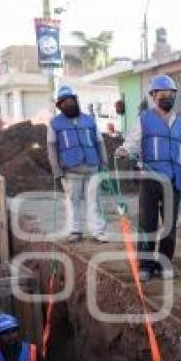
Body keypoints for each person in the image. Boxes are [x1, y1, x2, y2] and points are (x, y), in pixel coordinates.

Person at [115, 75, 181, 281]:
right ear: (153, 96)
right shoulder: (144, 120)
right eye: (162, 94)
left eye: (171, 94)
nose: (167, 97)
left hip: (173, 181)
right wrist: (123, 150)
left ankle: (164, 264)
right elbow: (131, 144)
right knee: (147, 224)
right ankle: (146, 265)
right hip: (149, 179)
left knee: (169, 226)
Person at [47, 85, 109, 243]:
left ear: (76, 100)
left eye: (70, 100)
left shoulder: (89, 120)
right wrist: (56, 170)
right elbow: (52, 147)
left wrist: (104, 162)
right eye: (64, 102)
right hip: (70, 170)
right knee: (72, 201)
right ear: (59, 106)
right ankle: (75, 231)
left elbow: (99, 142)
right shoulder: (55, 123)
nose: (68, 104)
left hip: (92, 166)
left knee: (94, 200)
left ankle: (98, 231)